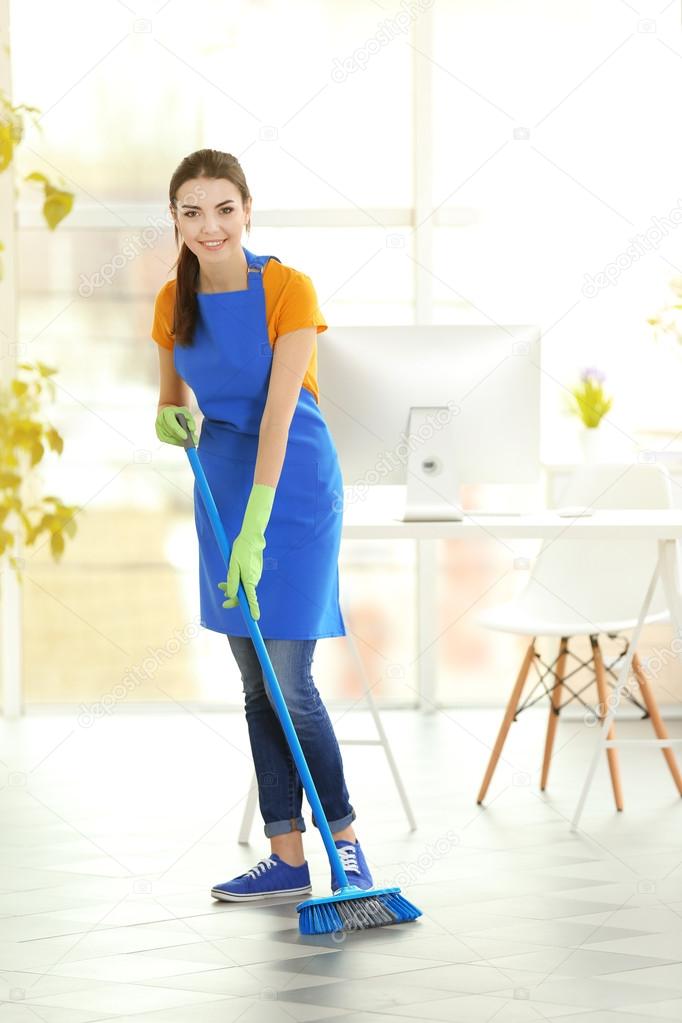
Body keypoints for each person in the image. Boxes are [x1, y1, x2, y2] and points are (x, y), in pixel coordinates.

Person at [150, 148, 374, 902]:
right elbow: (172, 399)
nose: (208, 225)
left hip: (294, 484)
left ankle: (346, 843)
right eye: (191, 211)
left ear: (248, 210)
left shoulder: (286, 287)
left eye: (223, 208)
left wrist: (256, 530)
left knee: (289, 678)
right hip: (218, 475)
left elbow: (279, 416)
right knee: (252, 681)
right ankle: (285, 856)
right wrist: (169, 417)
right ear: (175, 221)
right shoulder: (168, 300)